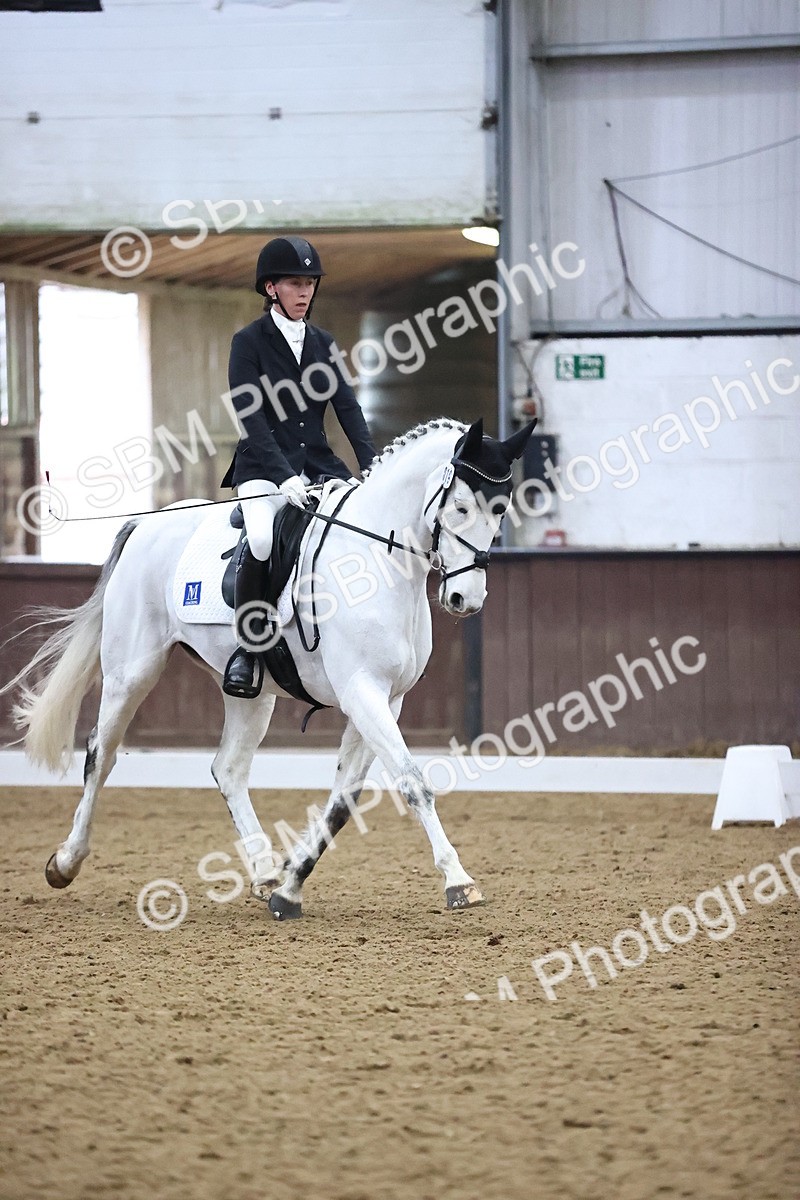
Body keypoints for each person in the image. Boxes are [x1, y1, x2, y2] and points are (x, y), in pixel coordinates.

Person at [219, 235, 376, 698]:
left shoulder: (323, 344)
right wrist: (283, 475)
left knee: (359, 526)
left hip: (320, 467)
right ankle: (247, 647)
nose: (304, 291)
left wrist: (373, 466)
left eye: (309, 282)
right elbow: (251, 417)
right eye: (294, 283)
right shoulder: (247, 343)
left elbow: (349, 411)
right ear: (271, 288)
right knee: (265, 538)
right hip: (262, 468)